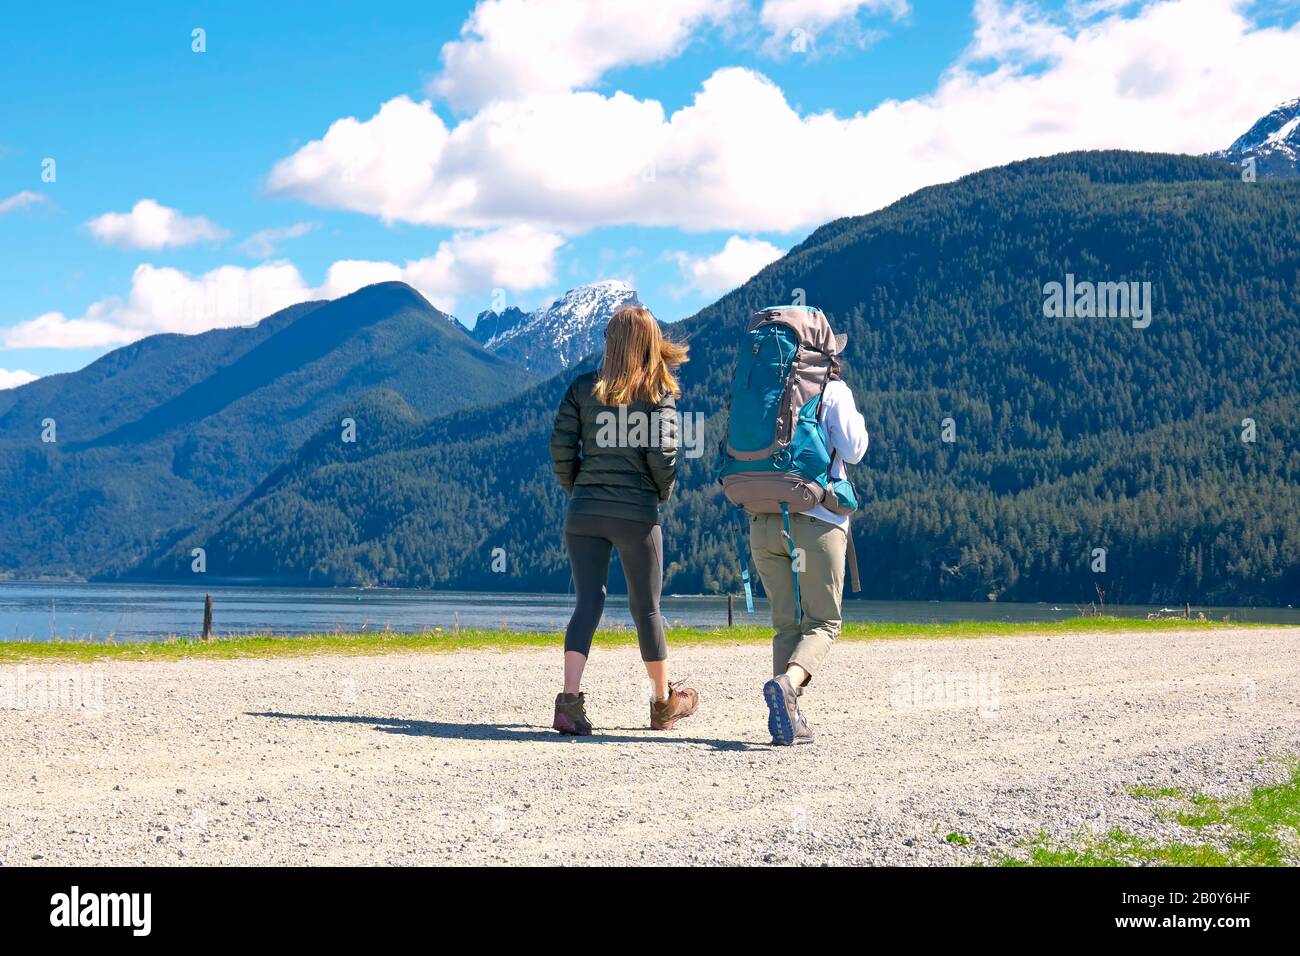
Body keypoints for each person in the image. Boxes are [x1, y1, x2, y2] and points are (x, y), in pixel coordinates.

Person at [548, 305, 699, 736]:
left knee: (588, 604)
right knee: (647, 608)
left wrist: (579, 489)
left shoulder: (580, 389)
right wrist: (658, 494)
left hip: (584, 514)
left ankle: (569, 703)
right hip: (636, 516)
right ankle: (661, 704)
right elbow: (664, 456)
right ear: (650, 343)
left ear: (611, 343)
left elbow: (560, 448)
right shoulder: (657, 395)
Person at [753, 371, 868, 746]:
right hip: (813, 523)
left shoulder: (761, 387)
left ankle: (789, 718)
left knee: (786, 623)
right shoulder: (831, 390)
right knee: (822, 622)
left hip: (763, 522)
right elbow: (854, 448)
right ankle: (788, 685)